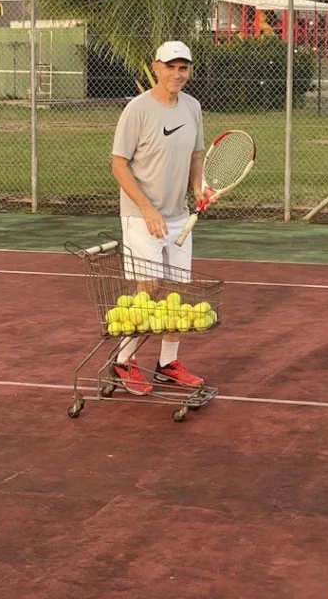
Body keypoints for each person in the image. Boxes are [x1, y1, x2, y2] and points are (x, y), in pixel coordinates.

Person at [110, 40, 207, 395]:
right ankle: (123, 362)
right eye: (171, 67)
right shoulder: (137, 110)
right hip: (141, 217)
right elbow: (118, 165)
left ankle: (167, 364)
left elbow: (197, 155)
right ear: (156, 68)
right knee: (147, 293)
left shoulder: (193, 107)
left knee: (177, 294)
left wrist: (198, 187)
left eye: (183, 68)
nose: (177, 74)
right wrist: (147, 210)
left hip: (180, 217)